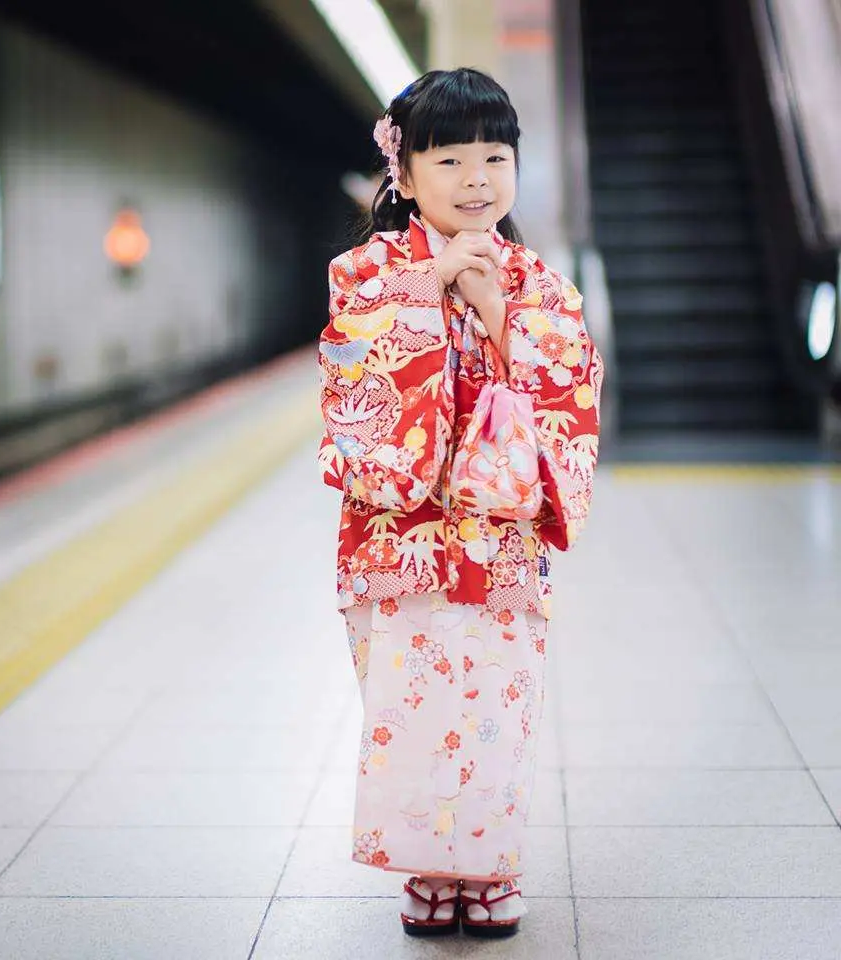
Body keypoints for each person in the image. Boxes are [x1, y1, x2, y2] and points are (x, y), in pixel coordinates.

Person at [317, 68, 603, 938]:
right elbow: (352, 382)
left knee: (494, 708)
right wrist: (428, 297)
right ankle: (430, 869)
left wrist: (493, 311)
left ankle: (489, 865)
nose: (478, 178)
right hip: (396, 547)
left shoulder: (541, 287)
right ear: (402, 175)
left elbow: (569, 389)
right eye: (450, 159)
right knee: (409, 710)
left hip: (500, 548)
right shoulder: (364, 275)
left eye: (496, 156)